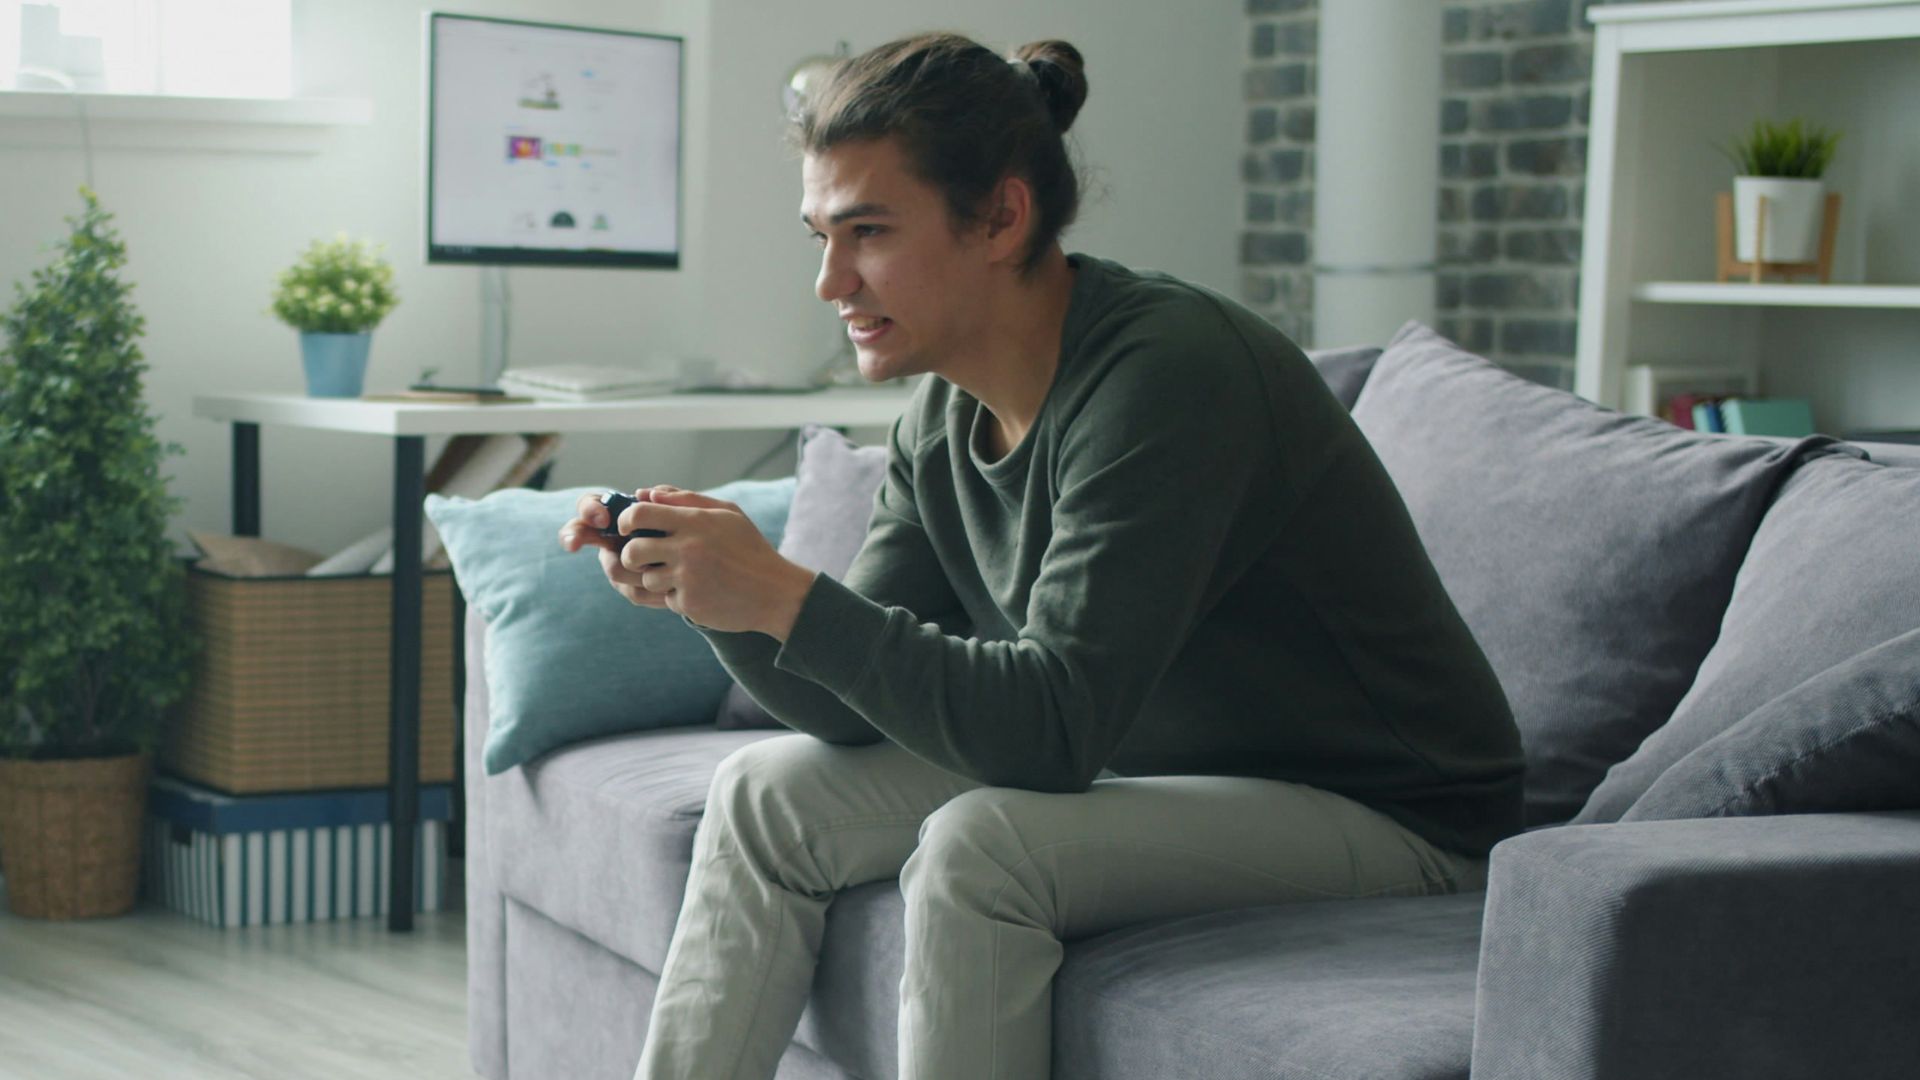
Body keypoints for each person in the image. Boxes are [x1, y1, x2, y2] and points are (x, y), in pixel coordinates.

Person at [558, 32, 1524, 1080]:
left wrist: (785, 597)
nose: (832, 280)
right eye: (820, 236)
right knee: (764, 794)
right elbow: (845, 710)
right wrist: (715, 589)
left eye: (868, 232)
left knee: (986, 849)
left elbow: (1052, 729)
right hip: (1172, 766)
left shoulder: (1167, 376)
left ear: (1002, 216)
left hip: (1394, 817)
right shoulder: (946, 410)